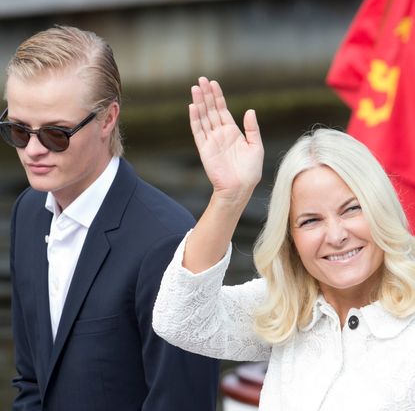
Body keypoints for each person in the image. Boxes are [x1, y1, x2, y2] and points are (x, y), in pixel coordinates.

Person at [153, 76, 415, 410]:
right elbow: (179, 320)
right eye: (311, 221)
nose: (336, 236)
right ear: (290, 239)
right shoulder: (284, 306)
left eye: (351, 210)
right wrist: (230, 197)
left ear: (380, 207)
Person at [1, 26, 219, 411]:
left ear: (107, 119)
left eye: (55, 133)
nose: (32, 151)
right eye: (18, 130)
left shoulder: (168, 240)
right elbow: (32, 379)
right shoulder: (29, 213)